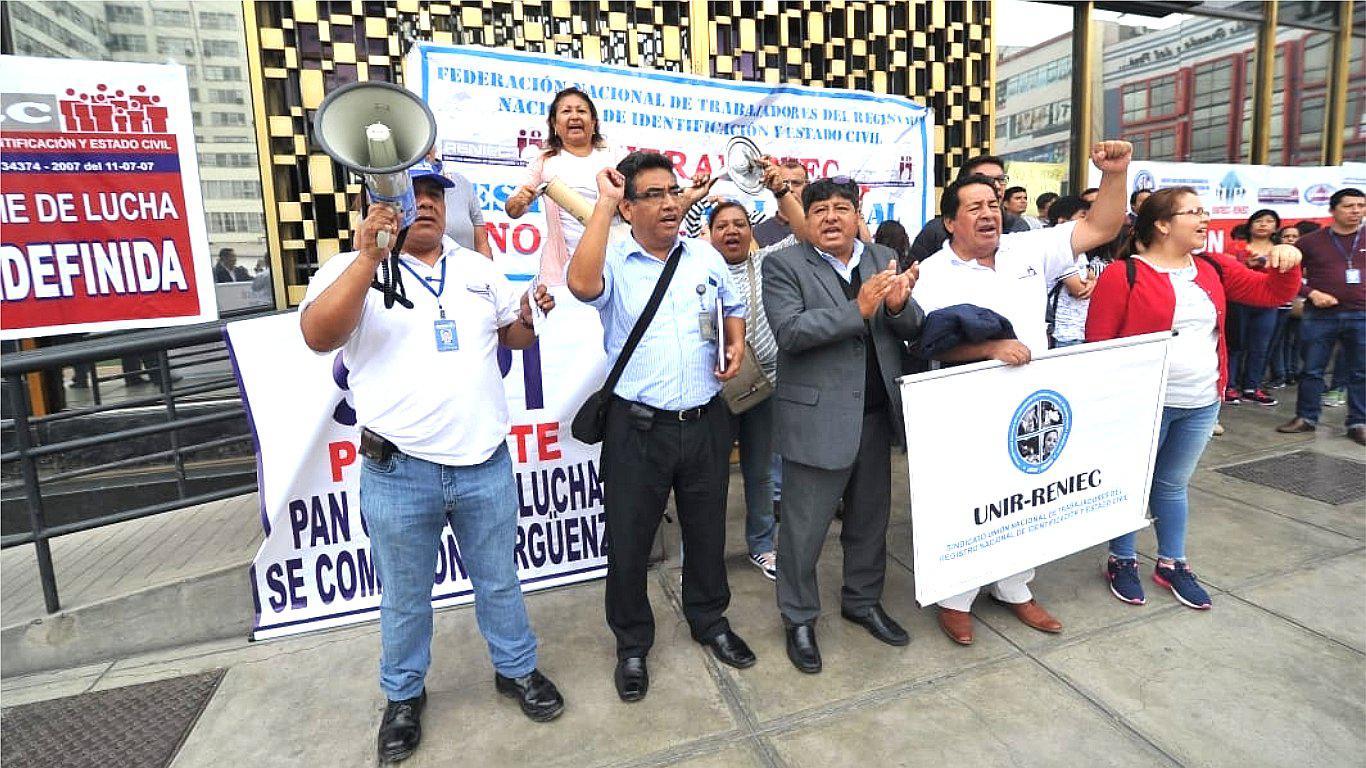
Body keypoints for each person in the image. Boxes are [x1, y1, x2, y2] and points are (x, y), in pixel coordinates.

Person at [298, 158, 564, 763]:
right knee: (405, 593)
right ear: (381, 199)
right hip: (398, 472)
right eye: (412, 193)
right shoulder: (348, 267)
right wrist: (369, 259)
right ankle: (403, 696)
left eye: (436, 194)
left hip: (484, 463)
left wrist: (527, 315)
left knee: (499, 579)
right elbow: (318, 336)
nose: (426, 203)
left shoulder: (476, 269)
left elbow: (511, 337)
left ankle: (516, 670)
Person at [912, 140, 1135, 645]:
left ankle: (1015, 588)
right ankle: (957, 596)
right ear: (950, 222)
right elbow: (925, 345)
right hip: (965, 407)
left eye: (993, 204)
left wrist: (1115, 175)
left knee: (1025, 496)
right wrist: (989, 348)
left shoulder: (1031, 246)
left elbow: (1102, 227)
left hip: (1034, 404)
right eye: (975, 208)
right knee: (970, 499)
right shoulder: (930, 274)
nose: (988, 213)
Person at [567, 151, 755, 702]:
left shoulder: (702, 257)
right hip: (637, 429)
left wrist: (737, 337)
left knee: (707, 530)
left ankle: (709, 619)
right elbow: (580, 285)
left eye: (673, 192)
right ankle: (631, 643)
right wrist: (602, 205)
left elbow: (733, 299)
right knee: (628, 541)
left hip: (704, 423)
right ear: (627, 207)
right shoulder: (614, 258)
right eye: (653, 195)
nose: (671, 202)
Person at [1087, 186, 1302, 608]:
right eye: (1194, 212)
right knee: (1131, 484)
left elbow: (1271, 294)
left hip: (1201, 401)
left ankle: (1172, 563)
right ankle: (1123, 558)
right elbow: (1099, 344)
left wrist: (1287, 265)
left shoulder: (1211, 267)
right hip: (1142, 403)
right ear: (1163, 224)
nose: (1204, 218)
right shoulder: (1123, 274)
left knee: (1172, 484)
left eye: (1205, 210)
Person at [761, 177, 923, 674]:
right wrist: (859, 309)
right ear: (804, 221)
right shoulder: (782, 265)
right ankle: (800, 617)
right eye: (820, 211)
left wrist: (896, 306)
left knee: (870, 522)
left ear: (858, 215)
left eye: (841, 209)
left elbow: (913, 326)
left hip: (876, 418)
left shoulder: (879, 260)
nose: (831, 218)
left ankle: (863, 601)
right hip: (817, 419)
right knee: (804, 531)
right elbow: (791, 332)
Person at [706, 167, 806, 581]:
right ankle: (703, 554)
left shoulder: (768, 260)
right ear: (708, 234)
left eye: (740, 224)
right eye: (722, 225)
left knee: (760, 472)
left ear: (751, 230)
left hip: (765, 386)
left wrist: (780, 188)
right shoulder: (695, 267)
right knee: (707, 478)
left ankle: (762, 546)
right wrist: (696, 197)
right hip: (712, 391)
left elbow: (804, 233)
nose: (731, 231)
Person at [506, 87, 625, 284]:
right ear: (554, 124)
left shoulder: (614, 156)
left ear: (593, 122)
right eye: (566, 111)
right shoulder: (544, 161)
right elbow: (513, 209)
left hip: (613, 264)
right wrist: (520, 201)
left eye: (581, 111)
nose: (575, 116)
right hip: (561, 271)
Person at [1277, 188, 1366, 445]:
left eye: (1361, 205)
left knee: (1361, 371)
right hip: (1321, 315)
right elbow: (1287, 276)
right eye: (1349, 206)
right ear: (1332, 210)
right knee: (1313, 370)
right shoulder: (1311, 241)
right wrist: (1311, 292)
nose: (1356, 211)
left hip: (1361, 314)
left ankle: (1359, 422)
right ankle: (1306, 417)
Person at [905, 155, 1033, 265]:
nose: (997, 186)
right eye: (987, 180)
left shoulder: (1019, 227)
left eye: (1001, 179)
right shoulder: (935, 230)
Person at [1223, 209, 1284, 407]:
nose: (1264, 225)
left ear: (1276, 227)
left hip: (1267, 303)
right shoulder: (1236, 247)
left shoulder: (1280, 249)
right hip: (1238, 302)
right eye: (1259, 221)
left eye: (1269, 221)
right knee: (1234, 345)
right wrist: (1246, 263)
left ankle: (1252, 387)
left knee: (1260, 347)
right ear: (1250, 225)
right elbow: (1227, 272)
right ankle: (1229, 386)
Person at [1045, 196, 1106, 348]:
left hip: (1079, 328)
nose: (1088, 223)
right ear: (1062, 222)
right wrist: (1094, 283)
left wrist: (1093, 282)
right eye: (1083, 217)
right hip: (1064, 332)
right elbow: (1079, 290)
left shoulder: (1079, 251)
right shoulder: (1057, 248)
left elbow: (1089, 279)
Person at [752, 159, 811, 247]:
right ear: (774, 185)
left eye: (796, 183)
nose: (790, 188)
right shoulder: (757, 232)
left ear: (807, 186)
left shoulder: (819, 227)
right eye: (783, 183)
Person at [442, 166, 493, 258]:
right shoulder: (407, 183)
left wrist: (488, 270)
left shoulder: (461, 182)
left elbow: (482, 244)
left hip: (465, 270)